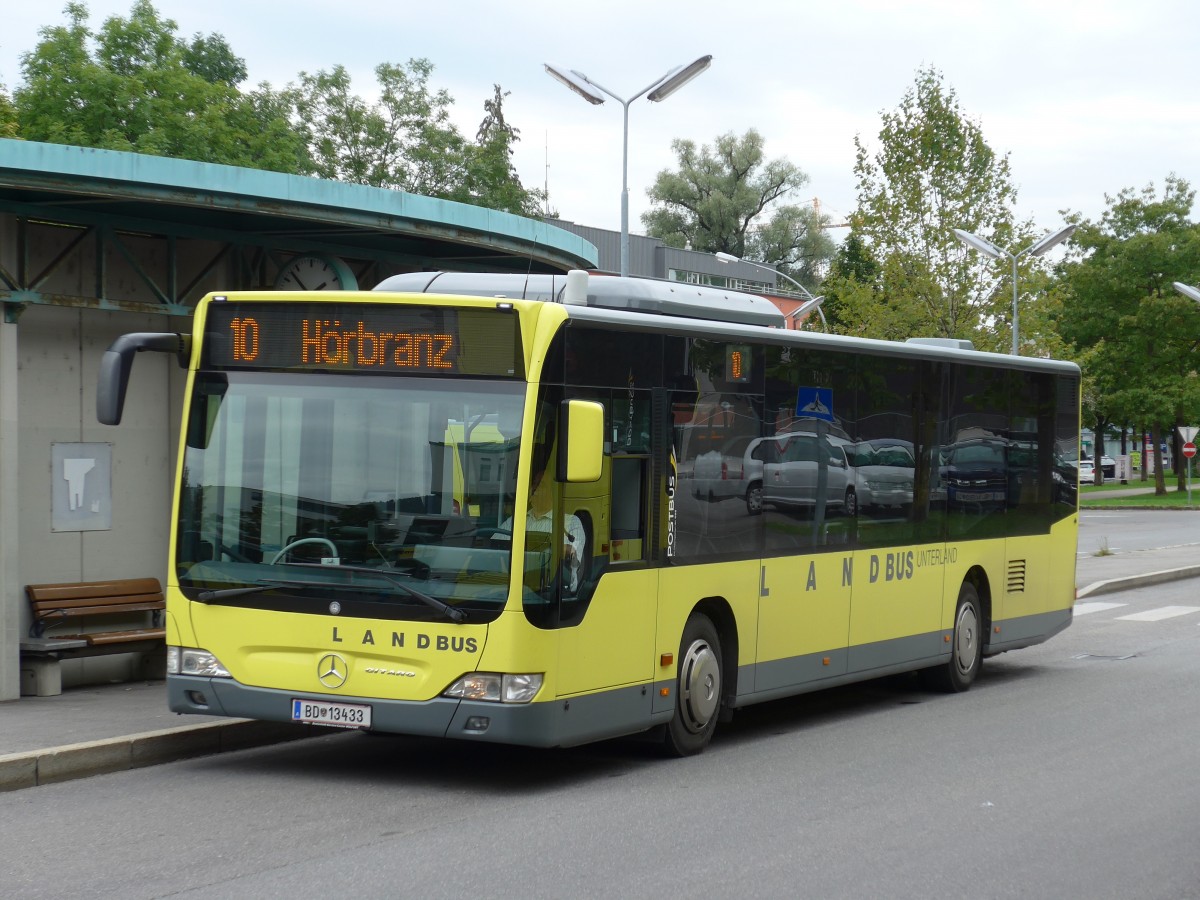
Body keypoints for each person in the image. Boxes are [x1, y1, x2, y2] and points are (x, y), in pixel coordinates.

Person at [498, 468, 586, 593]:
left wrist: (545, 548)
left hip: (551, 593)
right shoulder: (516, 520)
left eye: (541, 485)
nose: (535, 489)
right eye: (534, 483)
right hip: (512, 589)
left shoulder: (571, 521)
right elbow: (494, 546)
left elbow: (573, 554)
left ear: (553, 492)